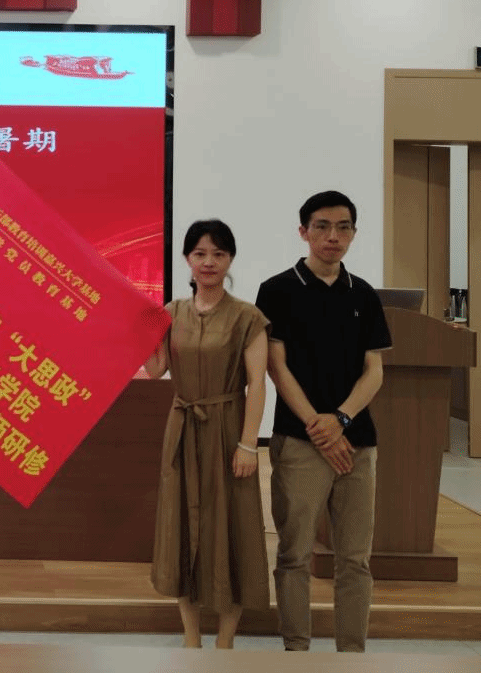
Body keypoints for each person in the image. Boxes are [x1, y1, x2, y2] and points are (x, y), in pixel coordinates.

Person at [256, 190, 390, 653]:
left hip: (357, 443)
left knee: (355, 559)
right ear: (304, 231)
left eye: (343, 227)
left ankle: (352, 654)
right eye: (322, 226)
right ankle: (297, 651)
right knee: (294, 554)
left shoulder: (364, 294)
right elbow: (276, 366)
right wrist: (318, 425)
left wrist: (341, 419)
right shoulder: (277, 290)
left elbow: (375, 370)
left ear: (353, 233)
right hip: (299, 440)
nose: (333, 236)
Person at [147, 219, 270, 649]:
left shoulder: (247, 316)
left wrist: (248, 444)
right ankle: (192, 638)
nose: (209, 262)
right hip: (182, 429)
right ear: (187, 259)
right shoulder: (171, 312)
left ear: (230, 259)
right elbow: (155, 369)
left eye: (218, 253)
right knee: (181, 525)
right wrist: (139, 329)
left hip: (228, 429)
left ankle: (226, 641)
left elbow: (258, 384)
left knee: (232, 526)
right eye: (200, 253)